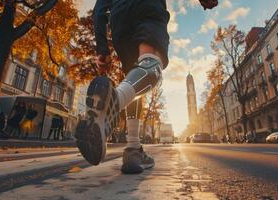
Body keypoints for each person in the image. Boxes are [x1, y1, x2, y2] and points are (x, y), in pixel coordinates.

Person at [75, 0, 218, 174]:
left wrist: (103, 49)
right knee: (150, 66)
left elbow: (99, 10)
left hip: (119, 20)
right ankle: (111, 105)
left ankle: (133, 149)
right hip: (147, 7)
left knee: (132, 84)